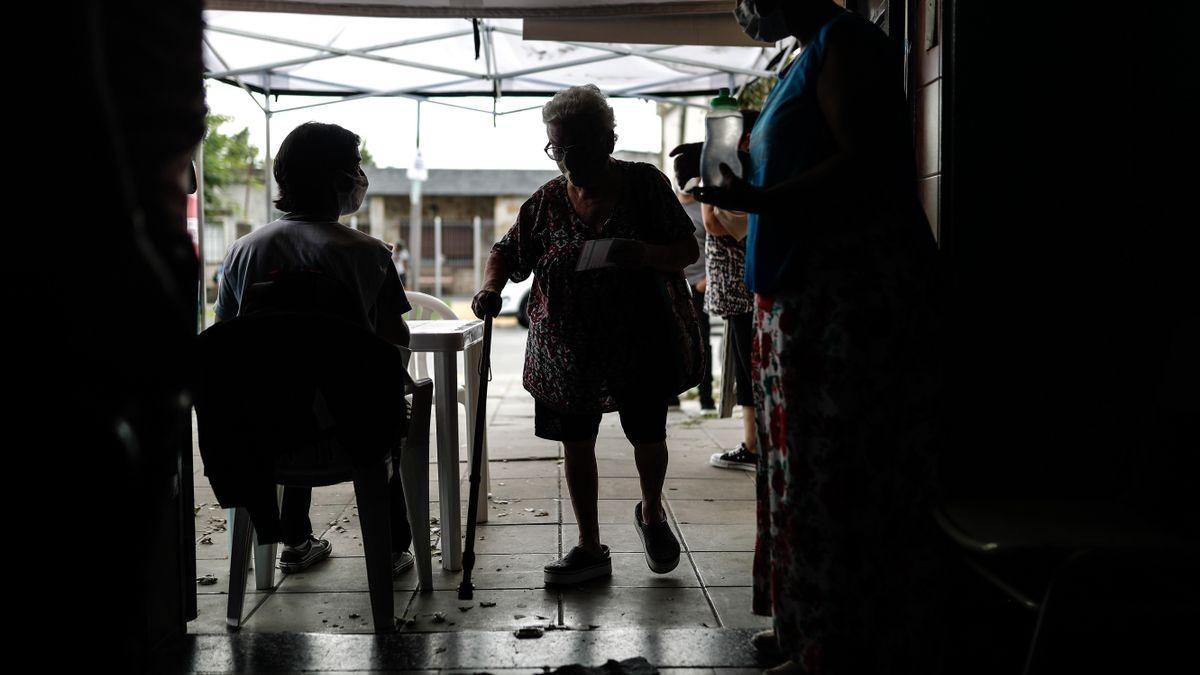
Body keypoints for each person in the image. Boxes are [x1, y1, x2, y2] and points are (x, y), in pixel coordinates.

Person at [675, 2, 944, 673]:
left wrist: (755, 201)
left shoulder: (846, 45)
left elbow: (862, 167)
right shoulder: (807, 54)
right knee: (798, 473)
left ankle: (836, 643)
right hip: (799, 294)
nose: (741, 10)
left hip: (841, 296)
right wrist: (739, 163)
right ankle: (806, 623)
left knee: (835, 472)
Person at [471, 84, 703, 585]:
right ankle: (589, 544)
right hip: (564, 349)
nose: (567, 159)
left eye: (577, 146)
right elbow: (505, 252)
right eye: (558, 148)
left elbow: (687, 249)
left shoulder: (644, 185)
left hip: (639, 340)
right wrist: (490, 288)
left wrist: (641, 254)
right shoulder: (547, 201)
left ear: (608, 139)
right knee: (576, 442)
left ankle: (652, 513)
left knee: (647, 435)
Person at [213, 121, 416, 577]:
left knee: (289, 383)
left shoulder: (242, 252)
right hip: (352, 432)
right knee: (365, 394)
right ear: (338, 179)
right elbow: (393, 342)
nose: (361, 177)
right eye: (356, 167)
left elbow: (225, 333)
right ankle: (390, 545)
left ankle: (294, 539)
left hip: (261, 430)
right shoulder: (368, 254)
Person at [703, 109, 760, 471]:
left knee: (749, 368)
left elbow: (714, 222)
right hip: (738, 288)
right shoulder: (739, 170)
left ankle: (755, 446)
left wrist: (709, 192)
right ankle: (753, 444)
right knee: (745, 365)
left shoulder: (748, 174)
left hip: (743, 288)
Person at [680, 191, 717, 410]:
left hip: (699, 284)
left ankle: (706, 398)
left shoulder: (704, 204)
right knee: (672, 338)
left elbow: (716, 241)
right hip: (675, 282)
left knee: (702, 339)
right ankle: (671, 397)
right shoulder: (669, 202)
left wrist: (708, 279)